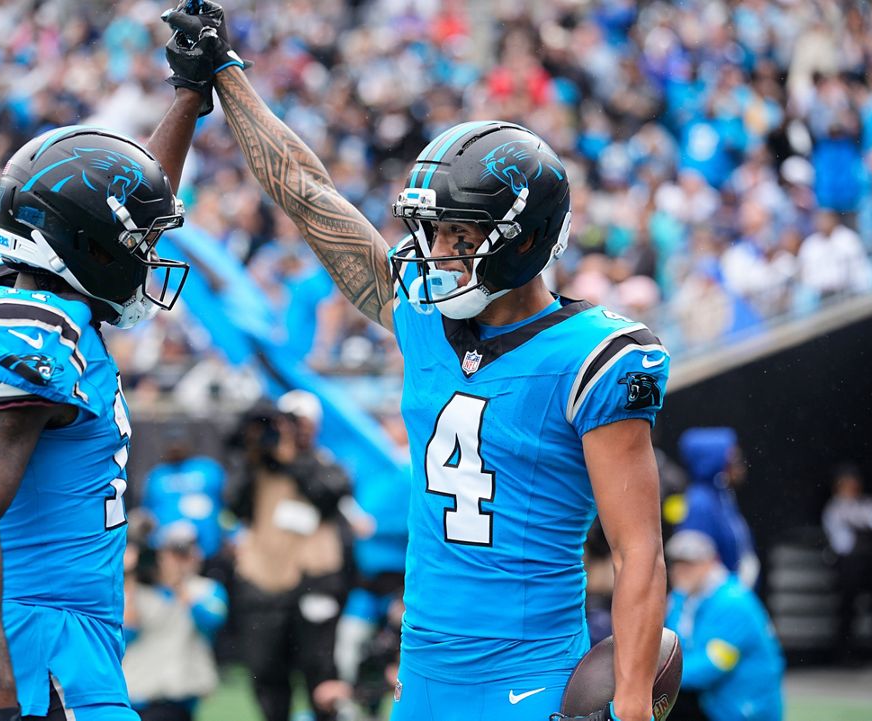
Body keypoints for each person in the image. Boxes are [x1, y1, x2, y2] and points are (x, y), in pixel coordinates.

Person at [163, 7, 671, 720]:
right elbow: (308, 195)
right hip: (423, 672)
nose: (437, 254)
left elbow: (638, 551)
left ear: (520, 240)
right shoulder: (424, 318)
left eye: (459, 235)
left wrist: (630, 707)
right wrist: (227, 74)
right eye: (432, 233)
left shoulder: (593, 357)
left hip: (527, 675)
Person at [0, 73, 205, 721]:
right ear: (86, 249)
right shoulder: (33, 336)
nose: (146, 258)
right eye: (135, 247)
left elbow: (109, 214)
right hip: (35, 652)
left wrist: (187, 100)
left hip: (46, 639)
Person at [226, 394, 356, 721]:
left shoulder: (323, 463)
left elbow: (328, 494)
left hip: (313, 583)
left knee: (320, 675)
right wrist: (253, 447)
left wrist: (291, 458)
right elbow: (233, 504)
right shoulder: (256, 468)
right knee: (267, 675)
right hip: (264, 585)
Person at [663, 531, 784, 721]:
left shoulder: (733, 602)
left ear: (711, 562)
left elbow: (714, 665)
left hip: (744, 710)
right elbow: (675, 647)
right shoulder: (685, 599)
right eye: (676, 564)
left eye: (689, 564)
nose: (680, 570)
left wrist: (655, 676)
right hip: (714, 702)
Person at [123, 522, 229, 721]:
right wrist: (130, 578)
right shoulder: (136, 590)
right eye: (172, 552)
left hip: (180, 695)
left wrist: (179, 585)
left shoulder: (206, 589)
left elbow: (213, 621)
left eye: (185, 552)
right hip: (137, 692)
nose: (178, 560)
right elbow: (125, 634)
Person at [821, 463, 872, 666]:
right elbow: (841, 541)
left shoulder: (869, 504)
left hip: (870, 563)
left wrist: (859, 524)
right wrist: (859, 525)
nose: (851, 487)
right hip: (848, 564)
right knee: (846, 610)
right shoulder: (834, 508)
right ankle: (845, 656)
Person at [674, 427, 759, 588]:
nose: (740, 465)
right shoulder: (700, 502)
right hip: (713, 601)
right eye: (734, 459)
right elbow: (690, 566)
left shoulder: (723, 497)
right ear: (714, 461)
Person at [141, 427, 227, 561]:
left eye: (179, 441)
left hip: (207, 551)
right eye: (171, 442)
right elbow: (148, 512)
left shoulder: (208, 469)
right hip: (168, 552)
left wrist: (232, 532)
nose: (175, 446)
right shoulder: (156, 475)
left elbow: (223, 507)